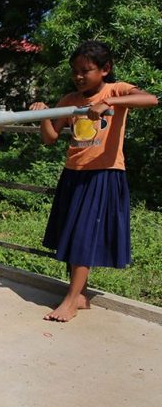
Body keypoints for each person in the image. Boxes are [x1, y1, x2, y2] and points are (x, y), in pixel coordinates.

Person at [29, 40, 158, 322]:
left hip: (104, 174)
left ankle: (71, 301)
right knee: (70, 233)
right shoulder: (70, 100)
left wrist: (108, 102)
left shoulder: (116, 90)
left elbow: (151, 99)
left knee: (83, 236)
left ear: (105, 69)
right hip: (73, 174)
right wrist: (43, 115)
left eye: (85, 71)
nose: (78, 77)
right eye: (75, 71)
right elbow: (50, 139)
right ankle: (81, 295)